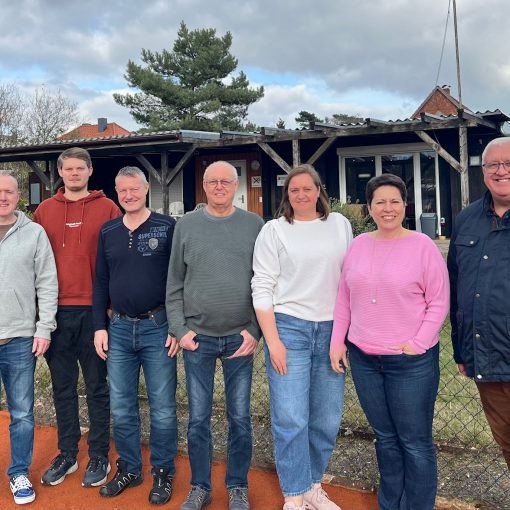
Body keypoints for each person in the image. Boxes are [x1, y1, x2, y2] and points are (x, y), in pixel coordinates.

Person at [331, 173, 449, 510]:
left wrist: (418, 343)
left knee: (414, 442)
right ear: (369, 208)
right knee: (385, 438)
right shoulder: (358, 245)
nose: (388, 208)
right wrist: (338, 341)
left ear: (405, 205)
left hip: (410, 362)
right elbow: (344, 298)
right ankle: (390, 503)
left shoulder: (423, 246)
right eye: (380, 202)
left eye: (394, 201)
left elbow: (439, 301)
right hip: (365, 360)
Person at [252, 164, 352, 510]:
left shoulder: (340, 225)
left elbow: (349, 280)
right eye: (294, 190)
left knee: (326, 418)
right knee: (291, 417)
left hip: (331, 330)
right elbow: (262, 285)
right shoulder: (274, 230)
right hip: (289, 328)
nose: (301, 195)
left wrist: (342, 335)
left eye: (307, 188)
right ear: (287, 195)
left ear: (319, 190)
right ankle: (293, 494)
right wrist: (273, 340)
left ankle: (312, 486)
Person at [166, 161, 264, 510]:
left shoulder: (255, 225)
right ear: (204, 186)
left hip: (241, 338)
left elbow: (265, 281)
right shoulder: (186, 225)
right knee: (198, 419)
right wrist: (180, 330)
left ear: (236, 186)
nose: (219, 187)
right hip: (198, 339)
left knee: (240, 418)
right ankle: (200, 487)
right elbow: (174, 282)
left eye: (226, 181)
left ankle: (237, 487)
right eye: (213, 181)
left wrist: (255, 330)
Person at [33, 147, 121, 488]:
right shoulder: (44, 211)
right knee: (63, 387)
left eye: (79, 168)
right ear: (60, 172)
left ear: (89, 171)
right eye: (68, 169)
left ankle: (98, 454)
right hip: (55, 312)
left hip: (95, 313)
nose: (74, 173)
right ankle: (67, 453)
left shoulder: (108, 207)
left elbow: (117, 259)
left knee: (97, 386)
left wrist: (109, 306)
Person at [93, 166, 179, 505]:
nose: (128, 195)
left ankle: (163, 471)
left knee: (162, 407)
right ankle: (129, 468)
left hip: (158, 328)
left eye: (134, 189)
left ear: (146, 189)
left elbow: (178, 279)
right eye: (122, 190)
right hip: (118, 329)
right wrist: (99, 326)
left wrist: (177, 325)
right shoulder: (108, 231)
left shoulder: (166, 227)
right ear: (116, 192)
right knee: (122, 406)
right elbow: (101, 281)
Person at [448, 136, 510, 471]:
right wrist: (461, 348)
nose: (501, 171)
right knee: (507, 442)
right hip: (487, 357)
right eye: (493, 165)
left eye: (508, 163)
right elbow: (455, 284)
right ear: (483, 171)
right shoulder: (467, 219)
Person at [0, 170, 58, 505]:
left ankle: (18, 472)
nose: (3, 197)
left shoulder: (34, 233)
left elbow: (47, 282)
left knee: (21, 412)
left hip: (20, 338)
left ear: (18, 196)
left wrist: (44, 327)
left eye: (9, 191)